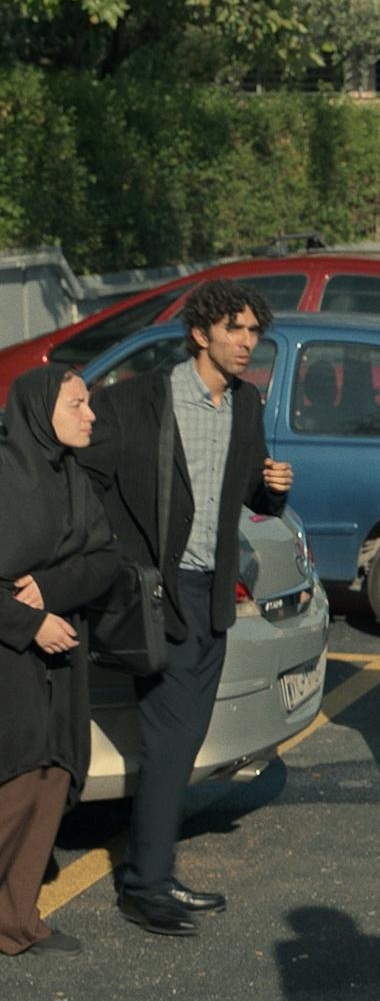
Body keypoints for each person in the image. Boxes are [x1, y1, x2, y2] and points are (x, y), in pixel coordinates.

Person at [79, 279, 294, 937]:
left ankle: (154, 873)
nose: (247, 342)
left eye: (254, 331)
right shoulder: (138, 400)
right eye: (235, 329)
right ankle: (145, 887)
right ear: (201, 333)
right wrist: (114, 563)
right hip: (155, 596)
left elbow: (252, 496)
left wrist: (273, 488)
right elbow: (84, 481)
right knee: (171, 741)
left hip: (211, 596)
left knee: (182, 742)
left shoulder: (246, 403)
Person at [0, 367, 119, 958]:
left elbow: (106, 559)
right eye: (76, 404)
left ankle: (16, 923)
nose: (90, 415)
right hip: (8, 659)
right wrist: (29, 624)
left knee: (53, 778)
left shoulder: (73, 476)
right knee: (15, 783)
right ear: (39, 412)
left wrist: (49, 590)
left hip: (62, 654)